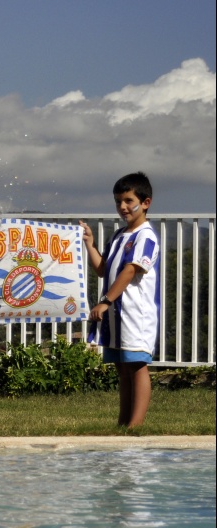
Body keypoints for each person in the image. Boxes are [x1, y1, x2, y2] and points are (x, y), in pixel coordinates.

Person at [80, 172, 160, 428]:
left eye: (128, 200)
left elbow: (130, 270)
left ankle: (135, 425)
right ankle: (123, 423)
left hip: (136, 314)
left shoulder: (145, 236)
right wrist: (91, 245)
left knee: (136, 366)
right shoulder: (119, 236)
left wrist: (105, 300)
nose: (122, 207)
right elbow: (104, 268)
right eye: (118, 201)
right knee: (122, 369)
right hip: (117, 317)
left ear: (145, 202)